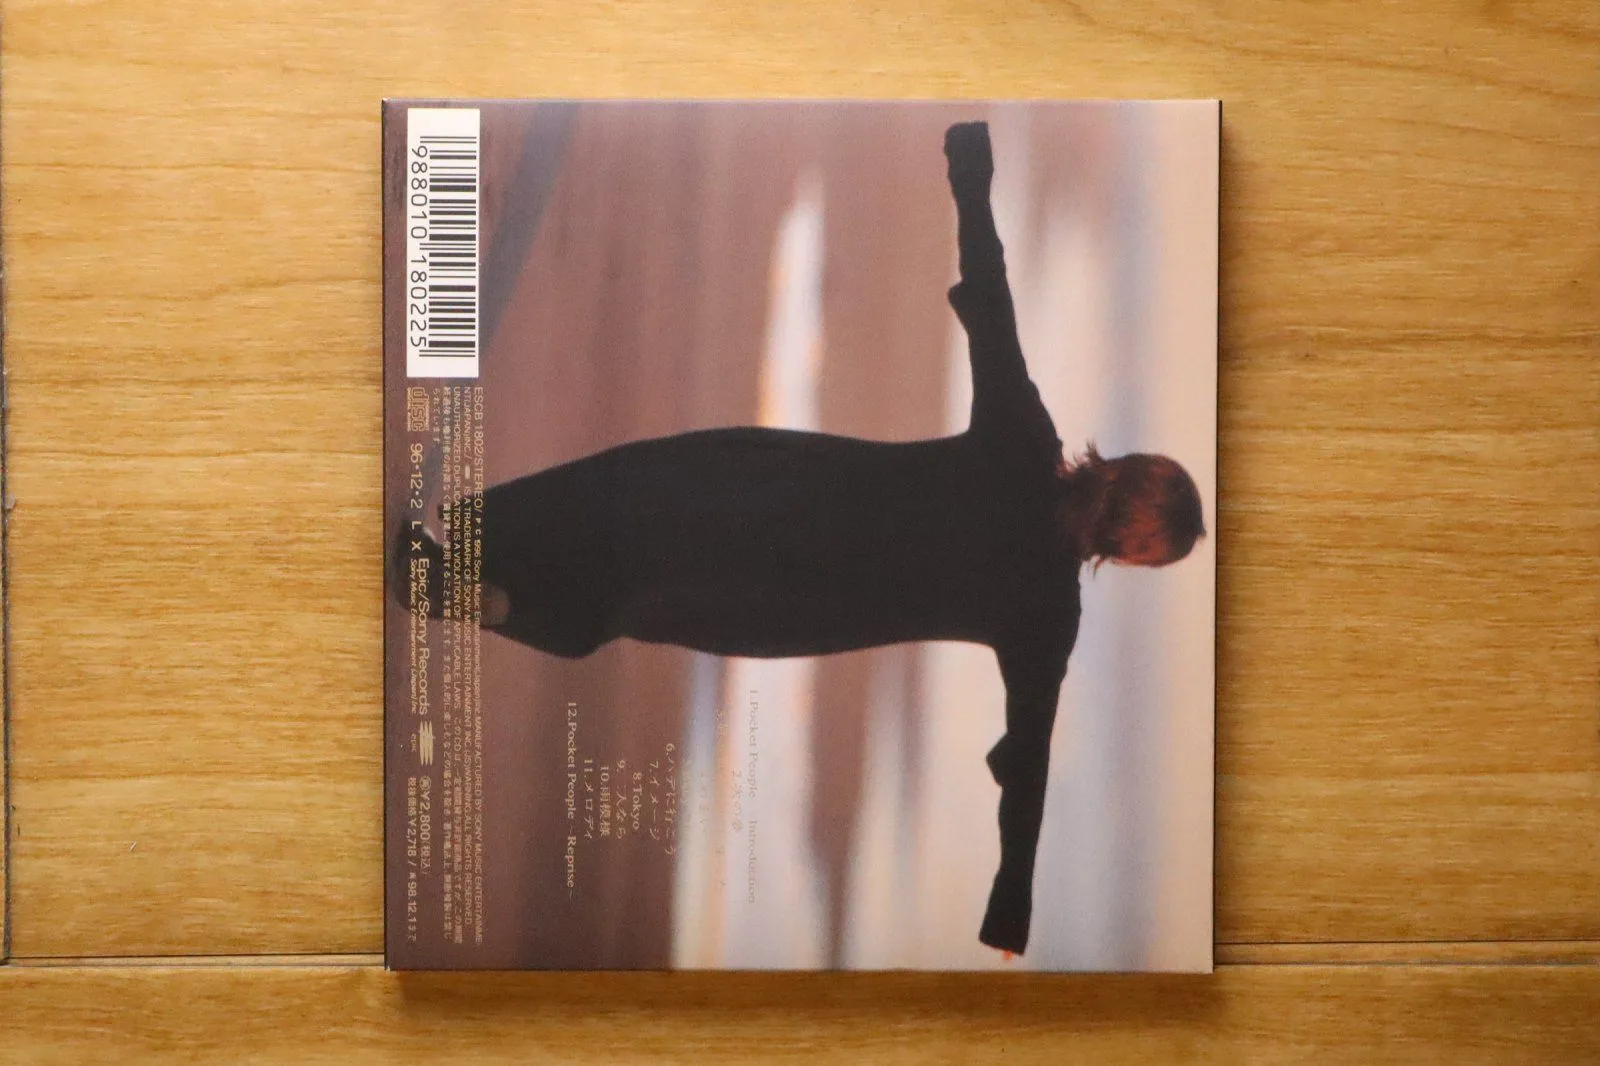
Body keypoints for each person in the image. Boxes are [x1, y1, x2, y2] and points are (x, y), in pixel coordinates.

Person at [397, 120, 1205, 955]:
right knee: (632, 600)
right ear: (1133, 550)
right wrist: (1010, 904)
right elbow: (1028, 764)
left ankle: (465, 549)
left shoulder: (1025, 443)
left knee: (624, 496)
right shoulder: (1048, 616)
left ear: (1127, 469)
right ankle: (491, 601)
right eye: (1151, 553)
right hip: (790, 609)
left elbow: (991, 295)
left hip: (786, 490)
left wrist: (970, 168)